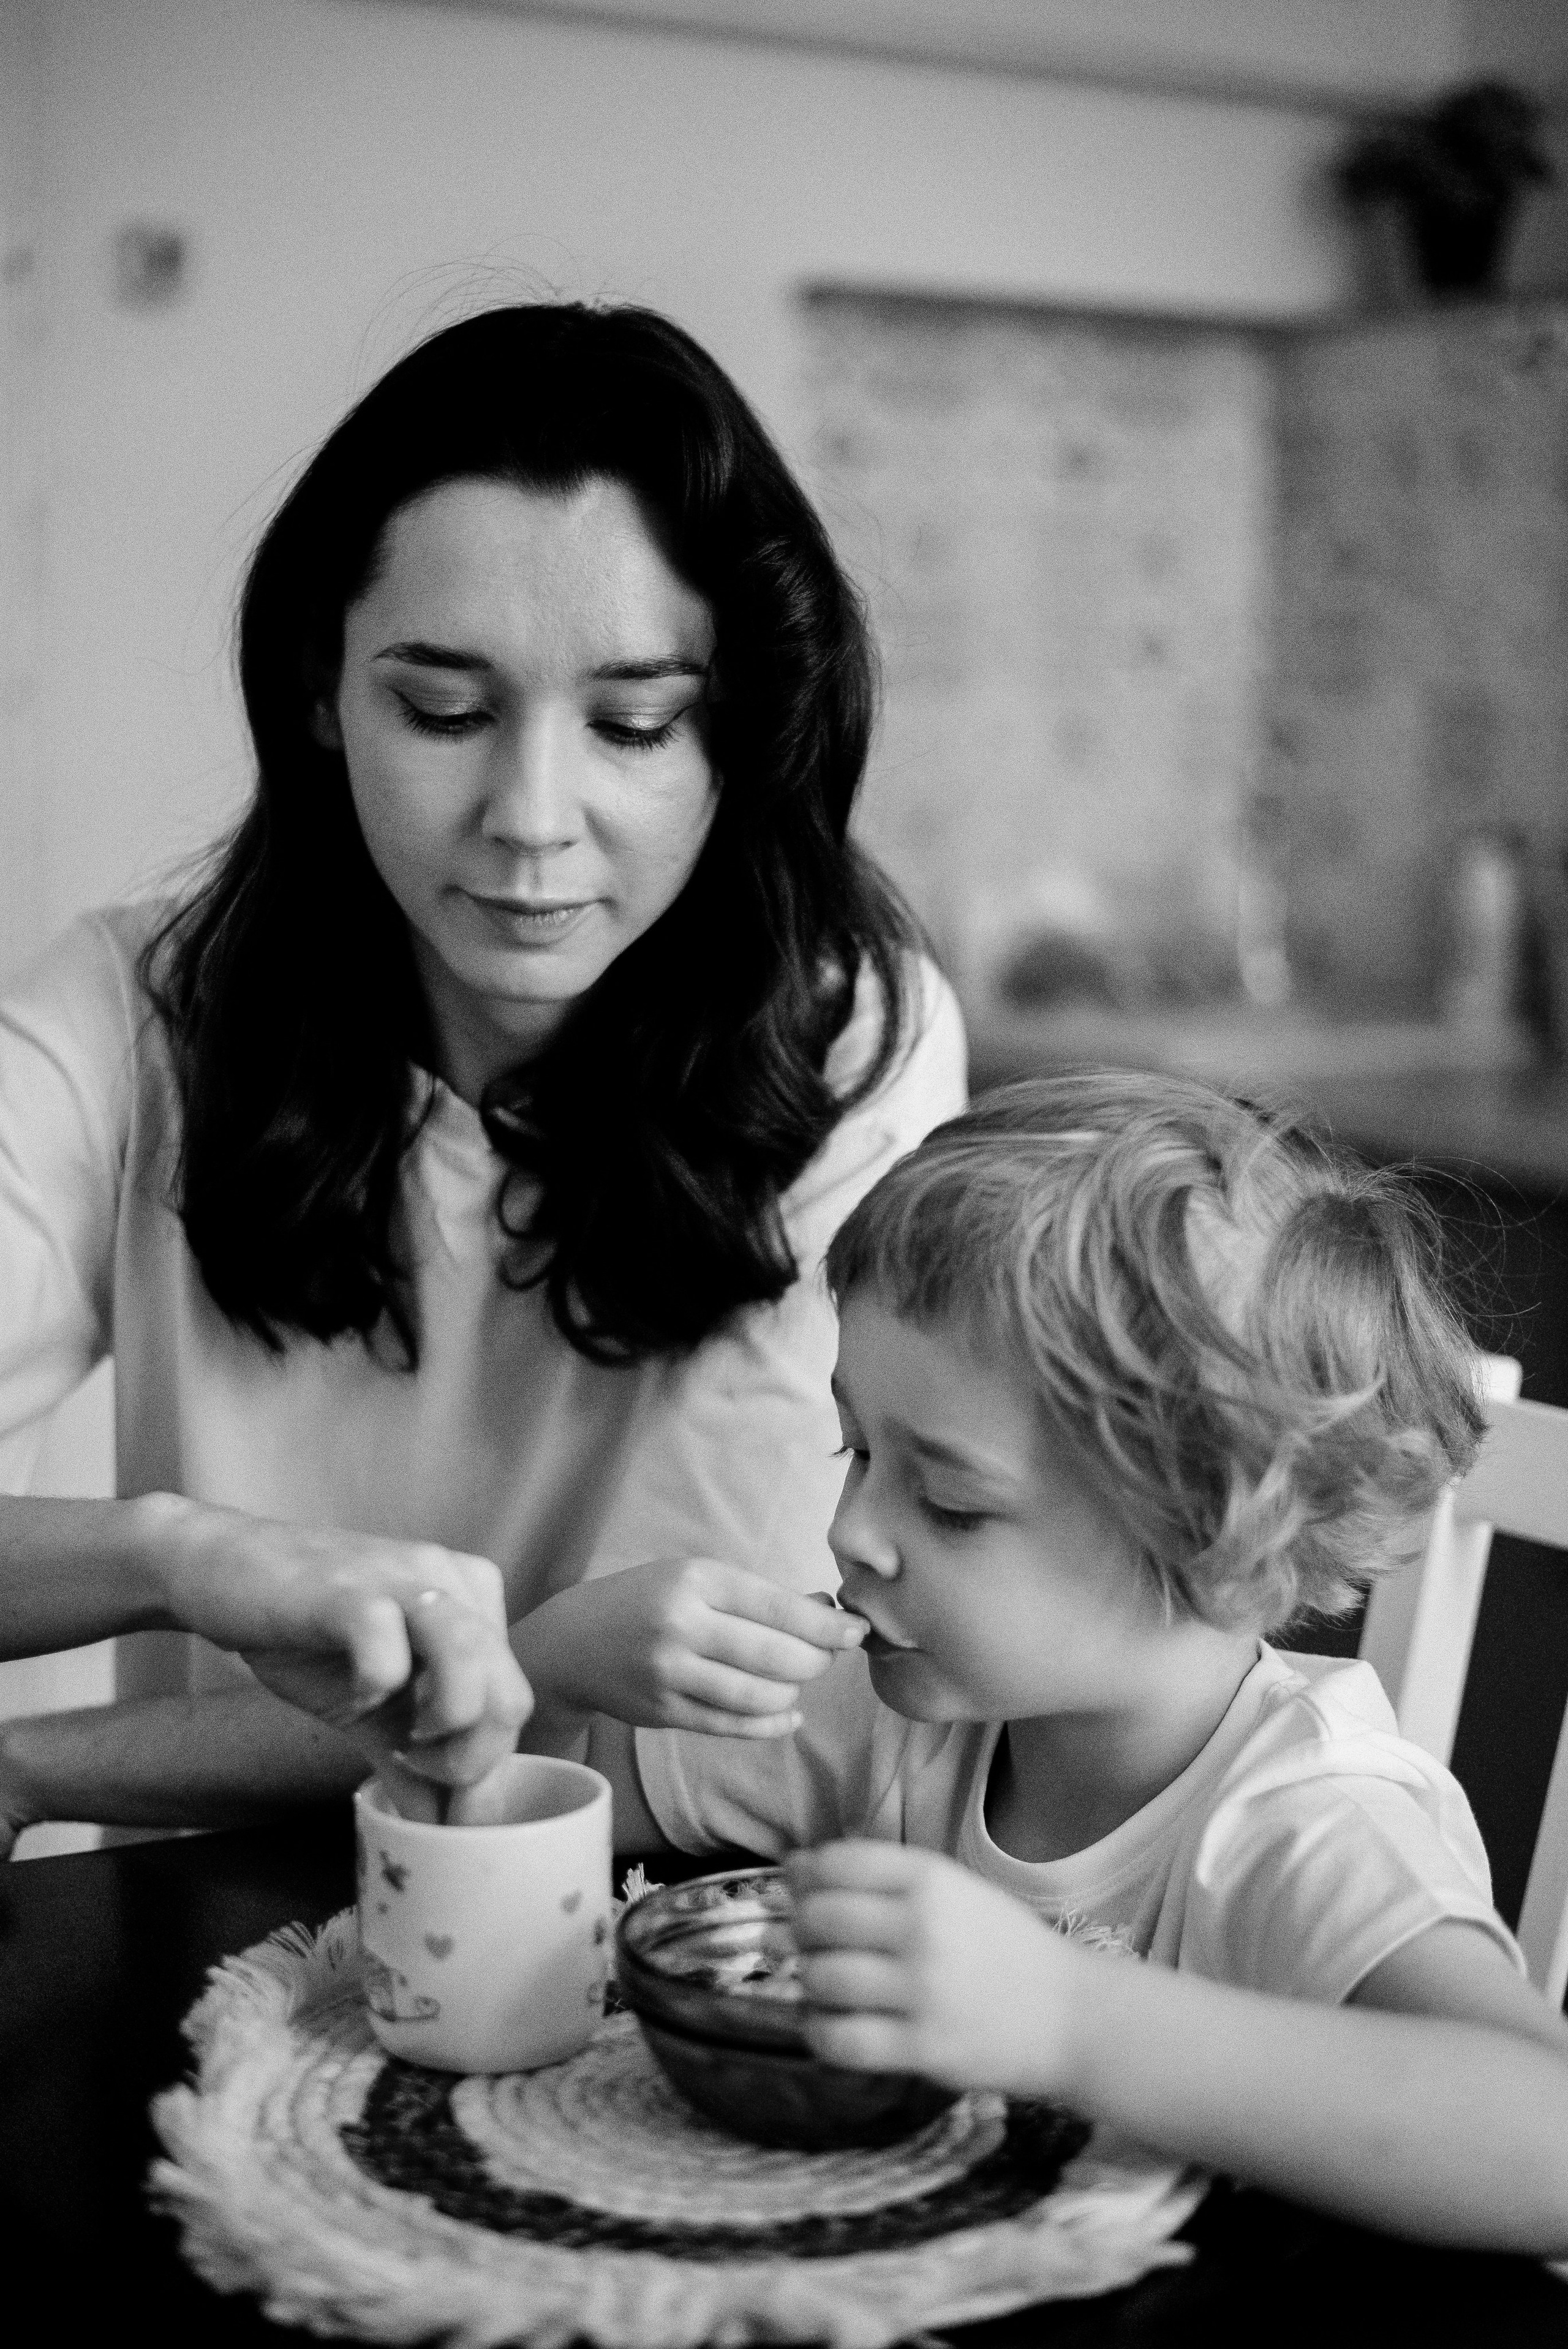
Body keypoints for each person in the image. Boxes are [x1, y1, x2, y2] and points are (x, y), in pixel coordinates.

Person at [0, 302, 961, 1850]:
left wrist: (42, 1768)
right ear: (322, 692)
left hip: (628, 1911)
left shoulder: (844, 1043)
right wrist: (176, 1554)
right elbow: (559, 1665)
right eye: (441, 710)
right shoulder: (132, 1013)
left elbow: (687, 1706)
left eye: (636, 724)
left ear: (742, 730)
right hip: (200, 1935)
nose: (531, 815)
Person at [500, 1073, 1568, 2253]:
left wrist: (1069, 2021)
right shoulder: (891, 1706)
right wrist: (549, 1672)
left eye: (951, 1501)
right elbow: (542, 1825)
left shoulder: (1303, 1822)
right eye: (855, 1447)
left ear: (1214, 1541)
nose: (850, 1529)